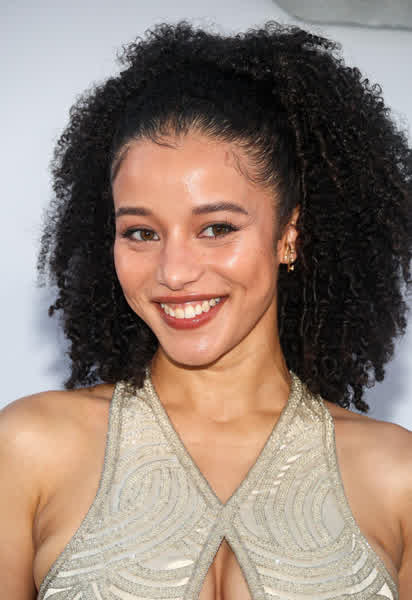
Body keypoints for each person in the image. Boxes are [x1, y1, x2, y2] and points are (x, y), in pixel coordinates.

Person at [0, 20, 411, 600]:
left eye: (216, 228)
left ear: (288, 235)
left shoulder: (398, 476)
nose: (173, 272)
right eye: (141, 232)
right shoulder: (28, 449)